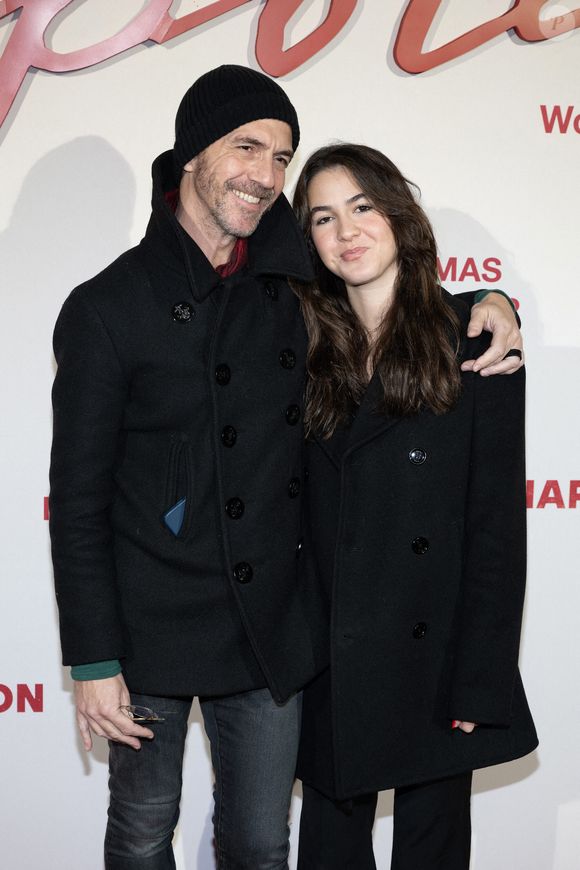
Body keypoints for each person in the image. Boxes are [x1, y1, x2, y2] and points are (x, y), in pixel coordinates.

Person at [49, 66, 523, 869]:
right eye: (247, 147)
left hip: (269, 635)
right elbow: (81, 500)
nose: (266, 175)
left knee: (265, 843)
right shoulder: (107, 305)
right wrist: (94, 658)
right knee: (139, 831)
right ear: (192, 153)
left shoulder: (288, 284)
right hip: (151, 624)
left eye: (281, 156)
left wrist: (492, 301)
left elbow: (390, 288)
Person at [291, 143, 538, 870]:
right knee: (330, 851)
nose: (347, 232)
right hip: (330, 653)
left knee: (431, 852)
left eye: (363, 207)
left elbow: (496, 527)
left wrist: (481, 674)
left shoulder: (473, 343)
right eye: (324, 218)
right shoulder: (301, 348)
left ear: (400, 215)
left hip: (433, 658)